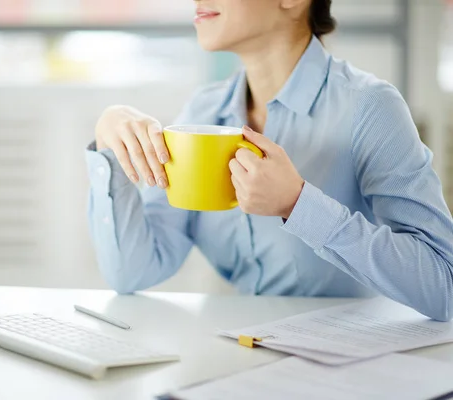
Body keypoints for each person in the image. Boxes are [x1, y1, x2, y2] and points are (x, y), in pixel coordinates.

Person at [84, 0, 453, 321]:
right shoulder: (204, 112)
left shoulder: (369, 107)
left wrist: (299, 204)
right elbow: (131, 272)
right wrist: (109, 148)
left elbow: (444, 286)